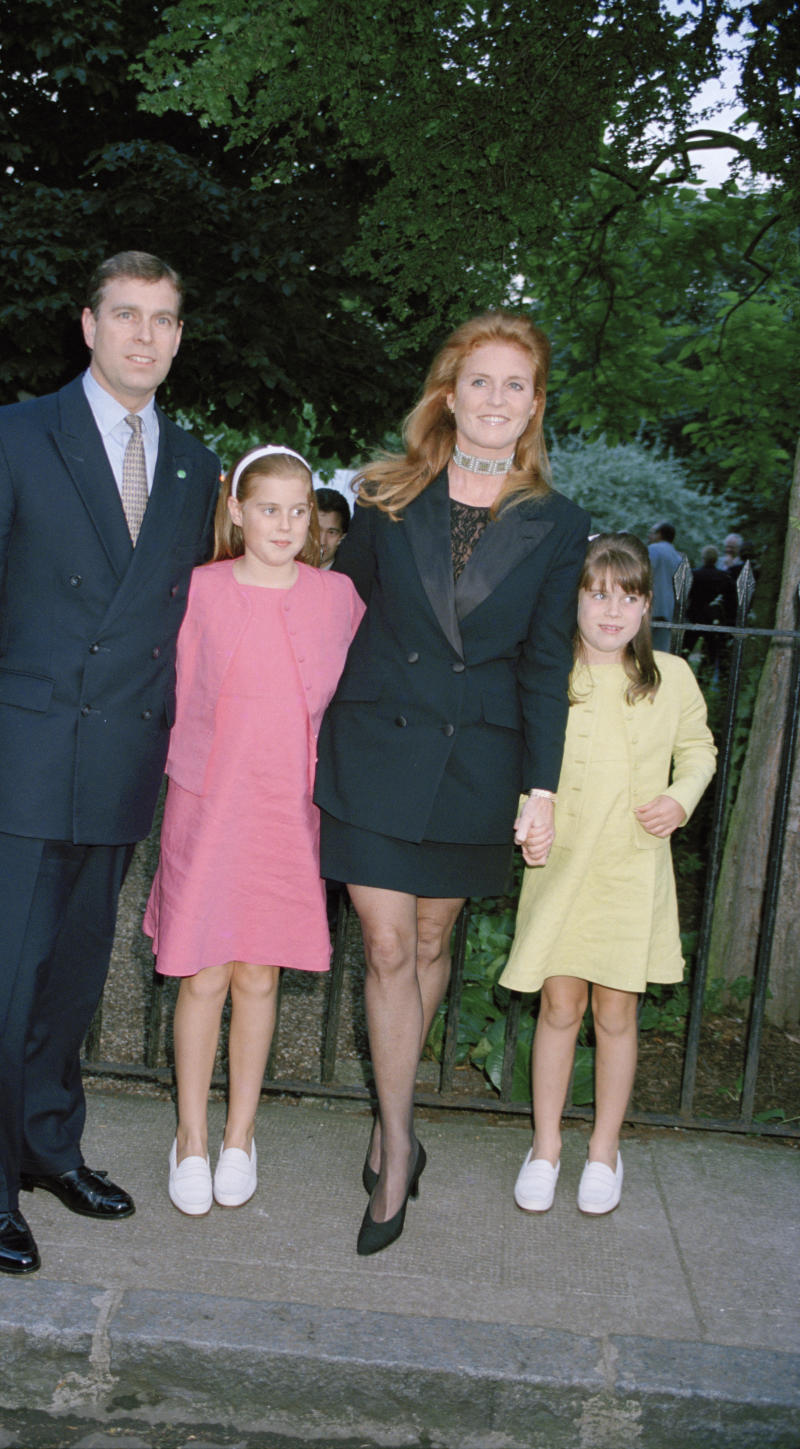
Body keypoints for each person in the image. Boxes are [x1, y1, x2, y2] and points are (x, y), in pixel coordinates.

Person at [0, 251, 220, 1275]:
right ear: (87, 325)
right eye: (127, 315)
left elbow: (183, 615)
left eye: (165, 319)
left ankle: (49, 1147)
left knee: (73, 981)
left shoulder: (192, 461)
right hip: (16, 754)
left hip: (122, 759)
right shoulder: (8, 436)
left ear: (179, 337)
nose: (146, 335)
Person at [314, 310, 590, 1255]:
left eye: (517, 385)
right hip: (375, 752)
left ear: (533, 406)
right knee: (387, 946)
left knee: (432, 939)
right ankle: (396, 1144)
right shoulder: (387, 495)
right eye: (482, 380)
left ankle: (393, 1111)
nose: (497, 399)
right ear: (449, 392)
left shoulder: (558, 523)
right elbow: (333, 617)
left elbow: (547, 663)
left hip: (479, 760)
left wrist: (541, 788)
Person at [143, 446, 363, 1215]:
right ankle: (192, 1135)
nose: (284, 523)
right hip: (208, 802)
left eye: (299, 510)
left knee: (259, 973)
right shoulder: (199, 588)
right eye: (268, 507)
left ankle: (241, 1133)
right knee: (203, 970)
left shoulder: (338, 598)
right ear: (236, 509)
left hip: (288, 810)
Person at [501, 534, 716, 1216]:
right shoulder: (547, 676)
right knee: (559, 1006)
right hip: (561, 862)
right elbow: (520, 759)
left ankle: (603, 1149)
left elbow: (701, 752)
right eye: (597, 594)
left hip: (630, 865)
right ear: (575, 601)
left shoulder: (672, 677)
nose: (611, 610)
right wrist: (527, 819)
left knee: (615, 1011)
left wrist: (679, 799)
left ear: (647, 606)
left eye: (628, 596)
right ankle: (545, 1146)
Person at [683, 545, 737, 673]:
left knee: (685, 650)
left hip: (694, 616)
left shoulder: (694, 574)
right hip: (713, 617)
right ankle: (705, 677)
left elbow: (686, 595)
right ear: (716, 559)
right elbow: (730, 599)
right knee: (712, 652)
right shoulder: (723, 576)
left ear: (703, 558)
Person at [647, 522, 683, 651]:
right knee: (660, 650)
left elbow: (646, 574)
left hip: (651, 605)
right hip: (668, 608)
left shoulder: (653, 549)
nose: (649, 535)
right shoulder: (677, 556)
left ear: (660, 534)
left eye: (652, 532)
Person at [315, 486, 351, 569]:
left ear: (342, 536)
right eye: (317, 530)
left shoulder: (351, 579)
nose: (322, 541)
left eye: (331, 532)